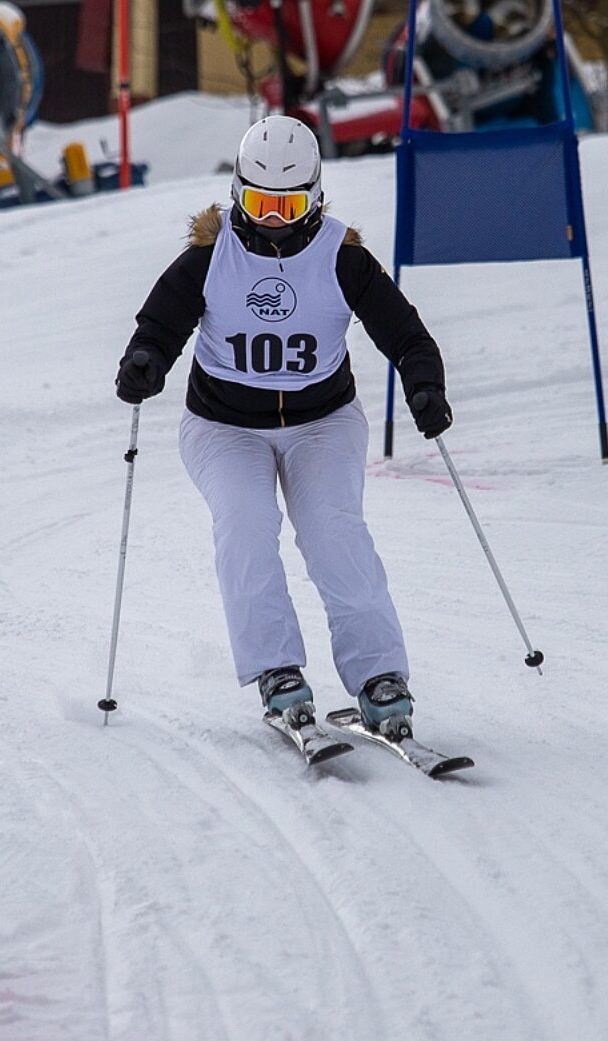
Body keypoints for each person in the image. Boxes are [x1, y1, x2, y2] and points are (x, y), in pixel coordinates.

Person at [115, 115, 453, 745]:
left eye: (289, 205)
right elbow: (158, 327)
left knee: (334, 534)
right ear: (238, 193)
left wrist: (424, 384)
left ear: (315, 198)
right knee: (245, 528)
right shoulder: (210, 256)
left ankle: (380, 677)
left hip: (322, 423)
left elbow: (407, 335)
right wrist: (144, 362)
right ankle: (277, 671)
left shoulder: (342, 257)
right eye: (260, 203)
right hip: (223, 427)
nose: (273, 218)